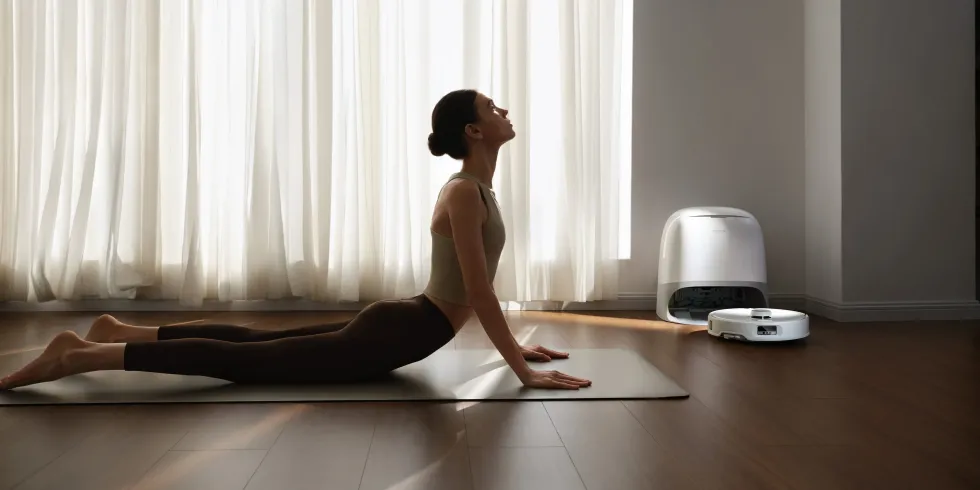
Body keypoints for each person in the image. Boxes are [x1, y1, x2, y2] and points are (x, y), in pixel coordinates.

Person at [0, 89, 592, 392]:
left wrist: (517, 350)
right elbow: (481, 293)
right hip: (404, 328)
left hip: (406, 322)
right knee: (247, 362)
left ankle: (119, 332)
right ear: (473, 129)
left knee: (258, 344)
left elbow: (474, 293)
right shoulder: (465, 192)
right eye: (492, 106)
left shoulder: (479, 191)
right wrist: (520, 367)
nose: (504, 110)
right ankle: (80, 356)